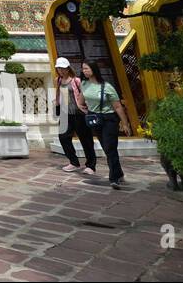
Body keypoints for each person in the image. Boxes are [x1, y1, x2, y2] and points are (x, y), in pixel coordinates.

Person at [79, 60, 132, 188]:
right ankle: (118, 173)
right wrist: (84, 109)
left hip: (109, 119)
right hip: (95, 119)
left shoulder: (107, 87)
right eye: (83, 69)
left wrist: (125, 124)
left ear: (93, 69)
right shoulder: (84, 84)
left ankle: (113, 178)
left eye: (86, 68)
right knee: (107, 148)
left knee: (110, 147)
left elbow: (118, 106)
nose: (84, 71)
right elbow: (81, 101)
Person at [54, 57, 97, 176]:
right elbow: (59, 95)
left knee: (86, 140)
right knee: (63, 137)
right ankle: (73, 161)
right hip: (65, 114)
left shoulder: (76, 81)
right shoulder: (57, 80)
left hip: (79, 114)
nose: (60, 71)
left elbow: (85, 95)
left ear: (68, 69)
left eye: (63, 68)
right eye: (58, 68)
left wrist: (86, 107)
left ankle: (91, 165)